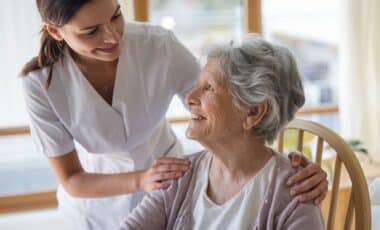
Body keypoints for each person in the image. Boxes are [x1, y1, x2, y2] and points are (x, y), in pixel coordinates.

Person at [20, 0, 327, 229]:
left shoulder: (158, 47)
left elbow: (238, 105)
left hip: (163, 175)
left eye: (116, 15)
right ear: (55, 31)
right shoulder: (40, 84)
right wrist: (142, 180)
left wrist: (291, 169)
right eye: (91, 31)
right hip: (96, 208)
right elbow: (72, 178)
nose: (112, 36)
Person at [120, 36, 325, 229]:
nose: (190, 98)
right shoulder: (179, 176)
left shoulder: (297, 191)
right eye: (196, 86)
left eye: (208, 87)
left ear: (252, 112)